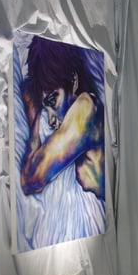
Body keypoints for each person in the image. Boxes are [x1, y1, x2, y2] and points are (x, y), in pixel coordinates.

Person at [19, 38, 104, 199]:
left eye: (53, 101)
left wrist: (34, 119)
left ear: (73, 81)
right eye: (45, 108)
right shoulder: (85, 115)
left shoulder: (85, 109)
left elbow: (30, 180)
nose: (50, 120)